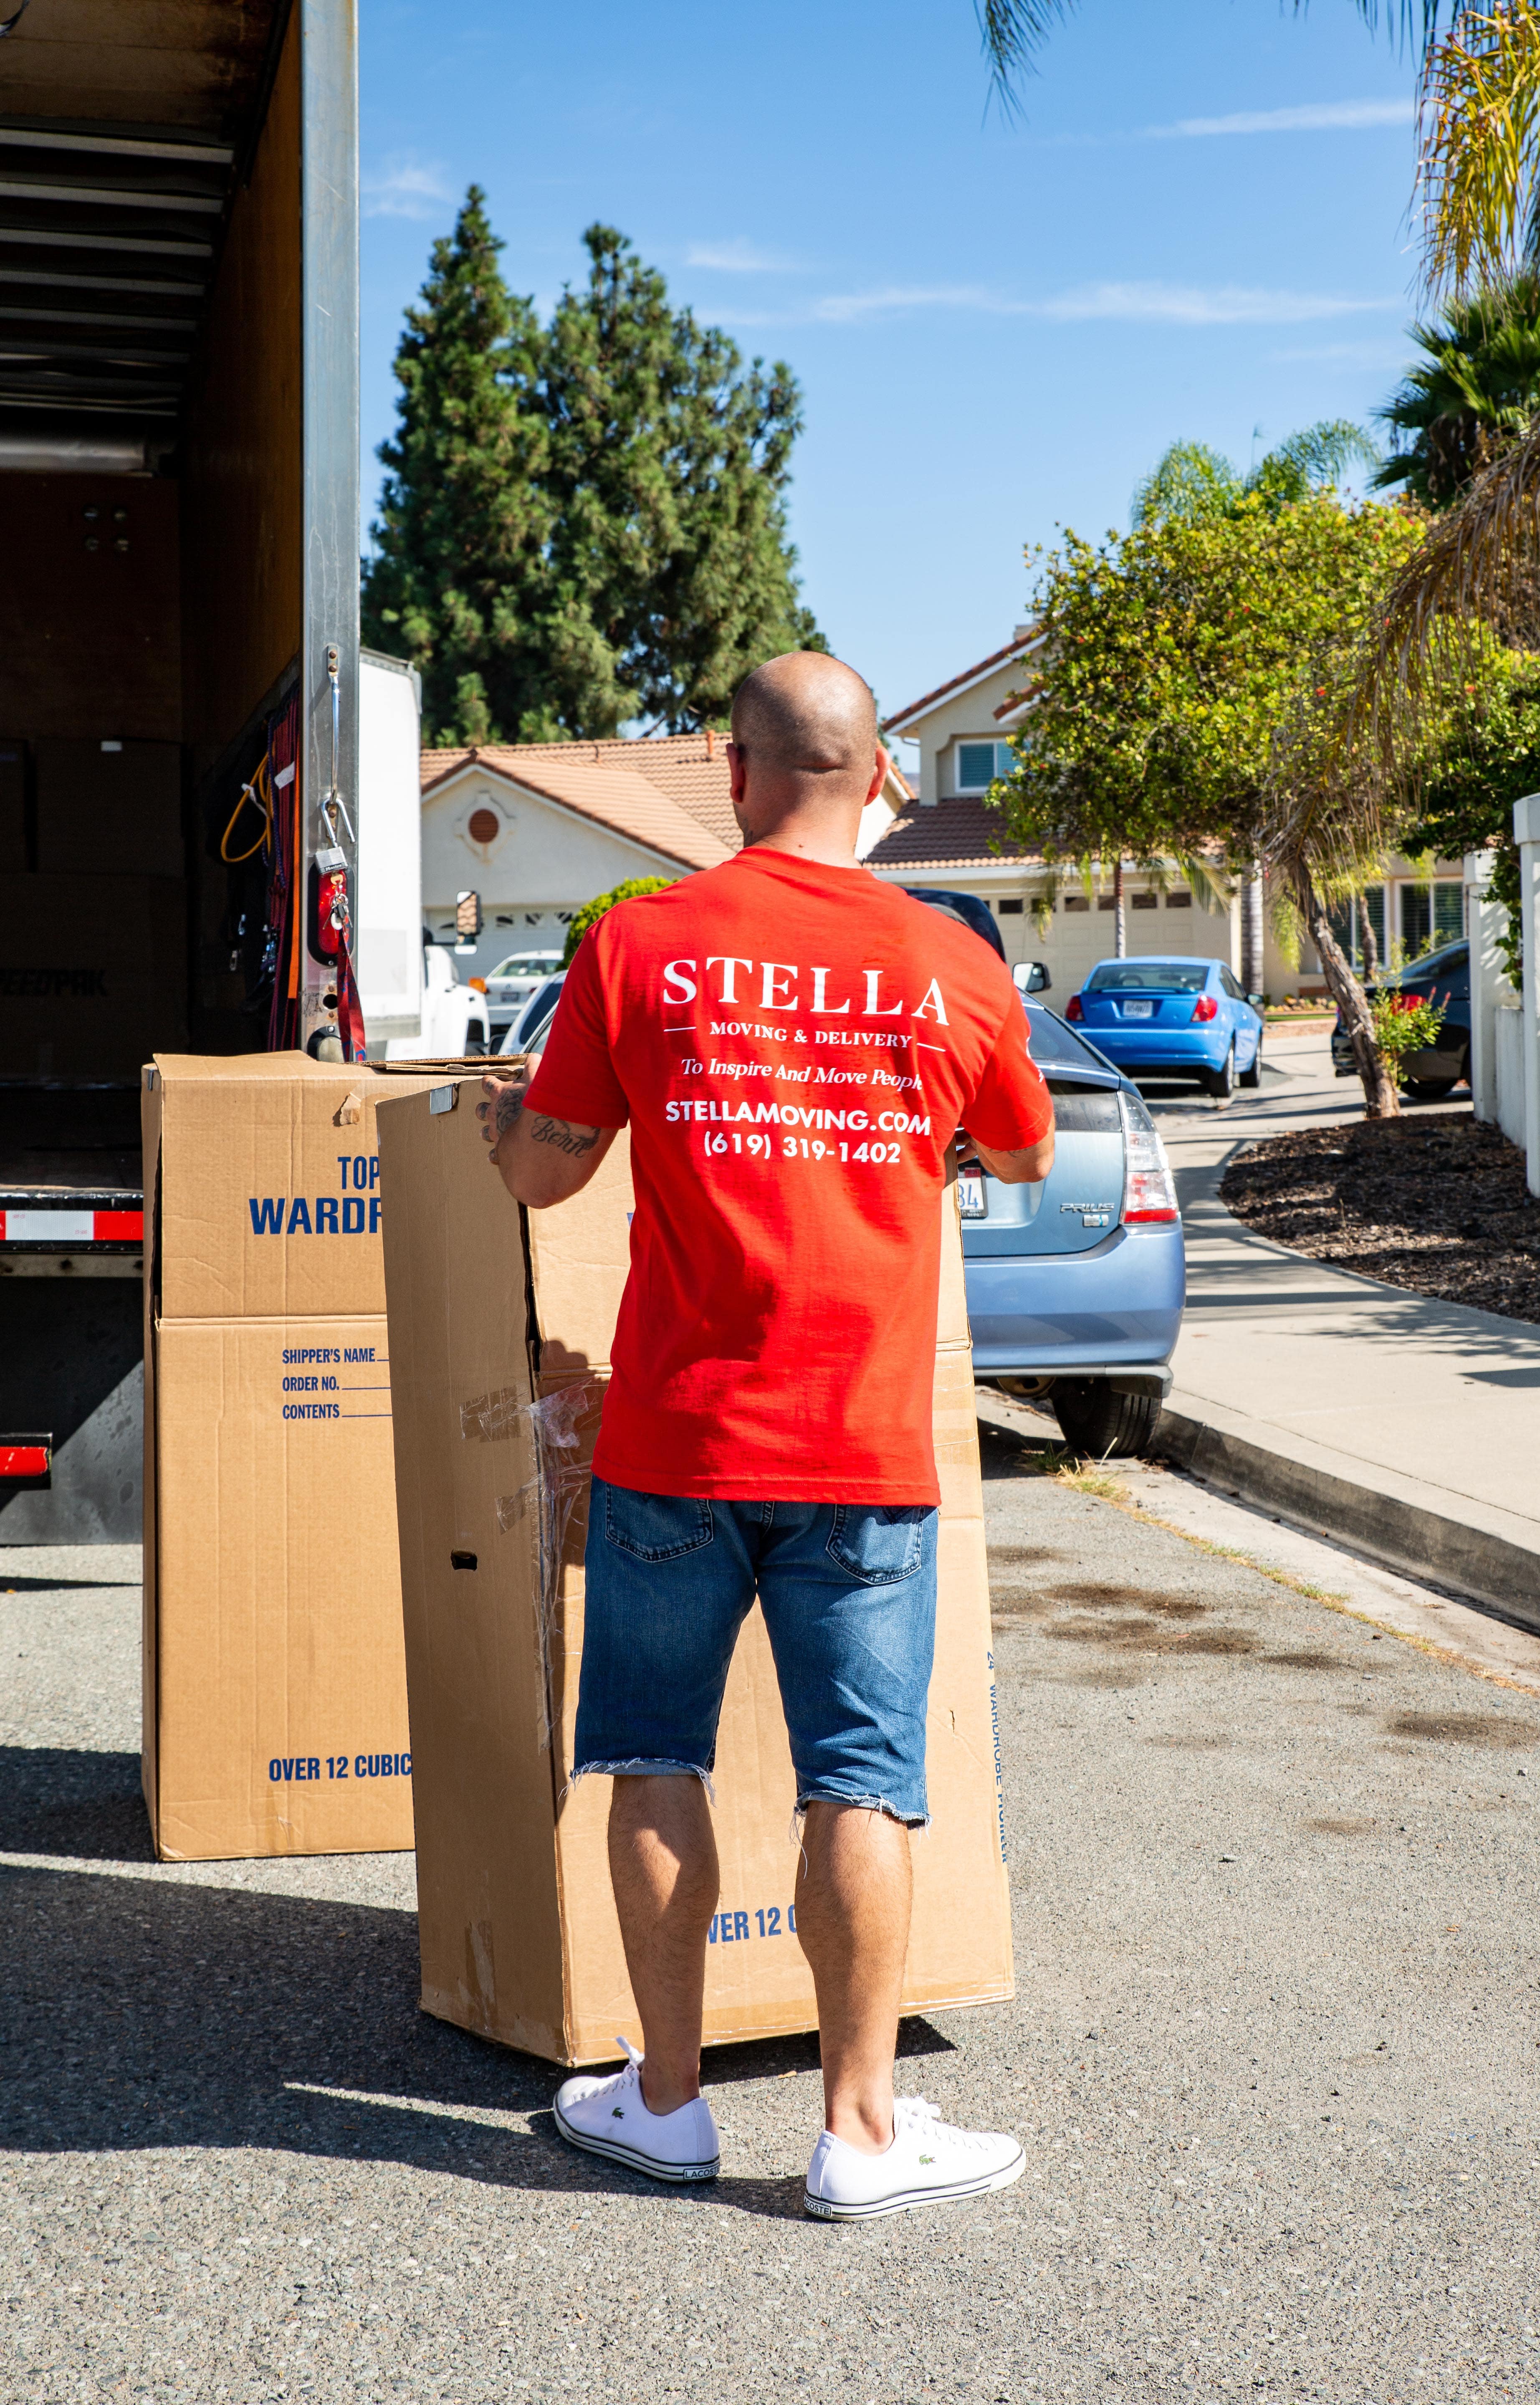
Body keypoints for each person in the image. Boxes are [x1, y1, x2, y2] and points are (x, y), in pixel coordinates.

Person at [477, 651, 1053, 2220]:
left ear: (735, 777)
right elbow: (1009, 1144)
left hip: (674, 1437)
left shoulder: (641, 949)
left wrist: (496, 1129)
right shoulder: (953, 961)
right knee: (858, 1781)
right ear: (879, 783)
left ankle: (664, 2104)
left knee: (652, 1756)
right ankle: (859, 2135)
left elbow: (543, 1176)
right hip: (864, 1450)